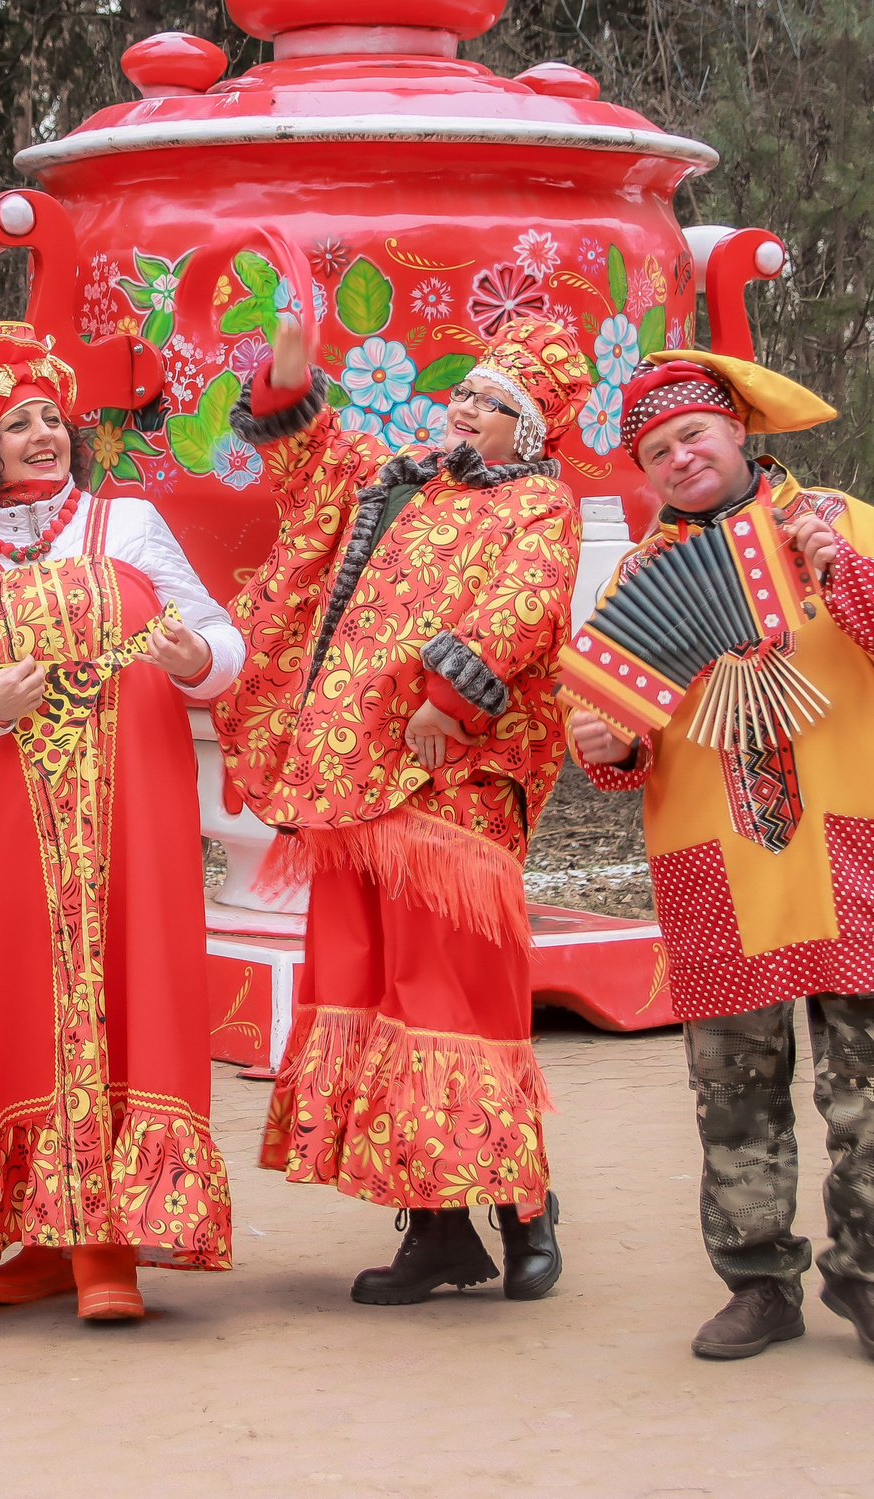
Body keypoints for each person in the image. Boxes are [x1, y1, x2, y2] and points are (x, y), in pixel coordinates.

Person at [562, 349, 874, 1370]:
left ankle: (868, 1279)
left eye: (692, 434)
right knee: (732, 1092)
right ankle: (758, 1286)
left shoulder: (845, 524)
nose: (678, 458)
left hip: (859, 840)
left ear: (737, 430)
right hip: (721, 860)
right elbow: (616, 744)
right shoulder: (638, 578)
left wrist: (847, 575)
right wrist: (607, 745)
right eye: (656, 450)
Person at [214, 312, 588, 1306]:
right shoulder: (402, 478)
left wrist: (449, 698)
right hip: (355, 783)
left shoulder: (541, 503)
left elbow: (526, 604)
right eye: (463, 391)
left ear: (529, 428)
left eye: (490, 401)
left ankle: (523, 1206)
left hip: (454, 781)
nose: (464, 409)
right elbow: (314, 464)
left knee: (460, 993)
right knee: (380, 996)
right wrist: (288, 383)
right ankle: (437, 1229)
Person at [0, 321, 242, 1321]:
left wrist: (194, 660)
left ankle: (110, 1247)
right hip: (11, 828)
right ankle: (51, 1239)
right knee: (26, 1006)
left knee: (135, 991)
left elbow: (219, 640)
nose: (43, 435)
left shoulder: (127, 524)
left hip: (134, 815)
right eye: (17, 423)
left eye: (52, 418)